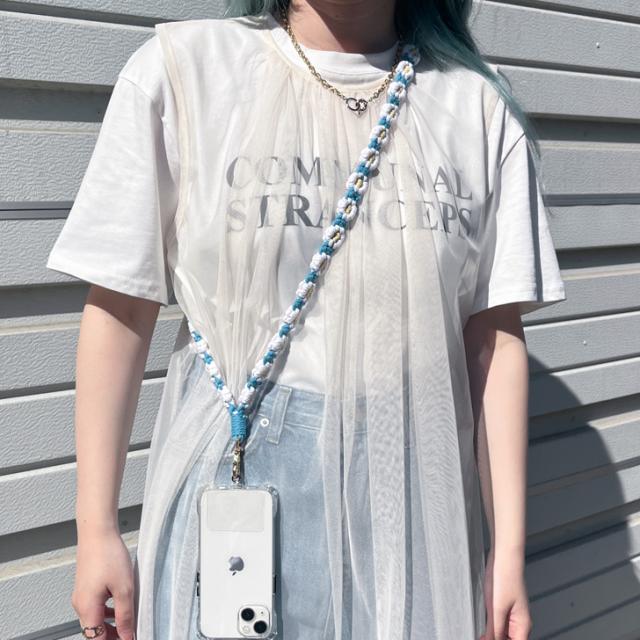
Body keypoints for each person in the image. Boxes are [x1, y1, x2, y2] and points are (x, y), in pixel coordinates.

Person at [46, 1, 567, 639]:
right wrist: (96, 527)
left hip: (412, 503)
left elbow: (493, 337)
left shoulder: (476, 108)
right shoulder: (187, 71)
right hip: (233, 490)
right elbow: (121, 305)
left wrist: (505, 549)